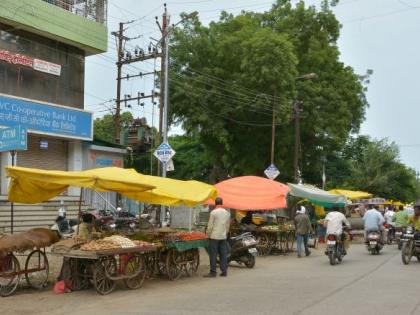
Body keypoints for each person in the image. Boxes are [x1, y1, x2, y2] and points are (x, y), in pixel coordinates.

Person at [204, 197, 231, 278]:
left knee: (213, 254)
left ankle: (213, 272)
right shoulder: (227, 213)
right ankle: (224, 271)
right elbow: (227, 226)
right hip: (223, 237)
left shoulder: (213, 212)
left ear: (215, 203)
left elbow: (210, 226)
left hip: (214, 236)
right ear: (221, 203)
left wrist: (207, 235)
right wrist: (225, 234)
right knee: (223, 254)